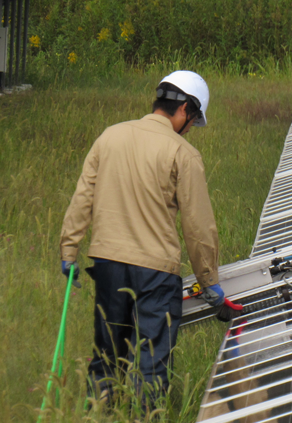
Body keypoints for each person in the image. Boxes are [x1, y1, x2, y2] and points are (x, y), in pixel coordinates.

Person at [59, 70, 227, 402]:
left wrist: (69, 252)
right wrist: (209, 281)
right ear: (185, 110)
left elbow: (82, 198)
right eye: (193, 121)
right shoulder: (183, 154)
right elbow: (198, 225)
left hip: (108, 266)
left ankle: (102, 411)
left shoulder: (109, 137)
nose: (190, 129)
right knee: (152, 365)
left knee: (107, 357)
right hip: (156, 273)